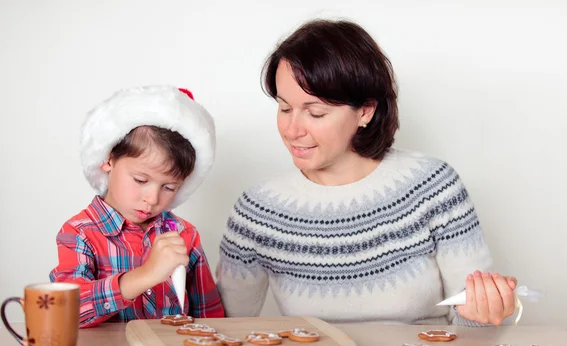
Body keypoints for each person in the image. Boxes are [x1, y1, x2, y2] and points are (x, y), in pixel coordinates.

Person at [216, 19, 516, 326]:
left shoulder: (433, 187)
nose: (293, 130)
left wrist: (483, 314)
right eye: (284, 108)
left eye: (315, 112)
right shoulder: (258, 211)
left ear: (365, 111)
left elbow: (476, 326)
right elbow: (223, 330)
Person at [50, 86, 225, 328]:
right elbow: (66, 311)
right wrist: (147, 275)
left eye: (169, 187)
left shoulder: (185, 236)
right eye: (141, 180)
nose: (152, 199)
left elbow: (211, 319)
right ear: (109, 159)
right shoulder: (79, 233)